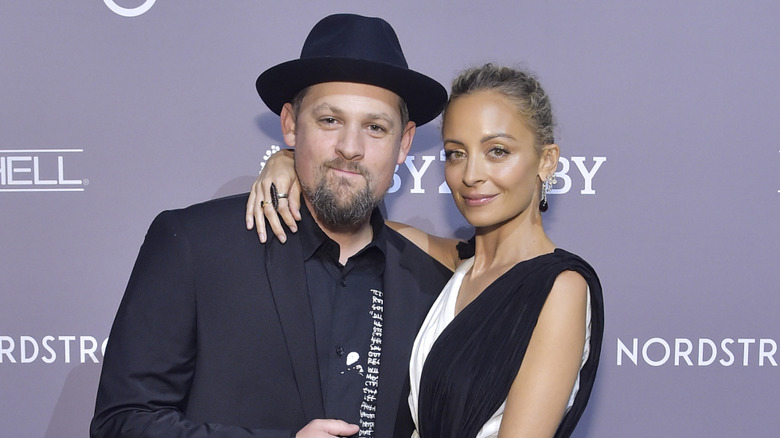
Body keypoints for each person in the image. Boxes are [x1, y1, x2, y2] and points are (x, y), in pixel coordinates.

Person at [91, 14, 453, 438]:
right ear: (289, 125)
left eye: (375, 127)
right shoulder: (195, 246)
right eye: (329, 120)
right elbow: (122, 422)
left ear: (404, 143)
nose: (350, 148)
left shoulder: (432, 291)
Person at [247, 64, 604, 437]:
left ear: (546, 161)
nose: (471, 175)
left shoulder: (560, 286)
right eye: (456, 153)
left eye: (497, 151)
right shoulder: (457, 263)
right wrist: (288, 162)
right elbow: (351, 221)